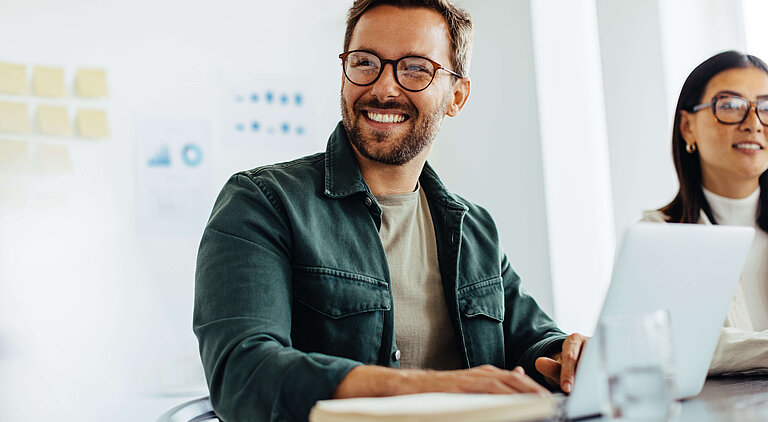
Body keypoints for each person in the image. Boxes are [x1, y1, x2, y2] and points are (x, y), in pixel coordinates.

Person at [194, 1, 586, 420]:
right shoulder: (262, 202)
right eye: (365, 62)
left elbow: (533, 342)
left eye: (415, 69)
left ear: (456, 96)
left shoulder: (474, 228)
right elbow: (243, 373)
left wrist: (569, 356)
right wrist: (428, 387)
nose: (384, 88)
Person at [641, 50, 768, 375]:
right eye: (730, 105)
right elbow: (673, 345)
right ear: (687, 127)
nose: (753, 124)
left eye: (766, 107)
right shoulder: (657, 235)